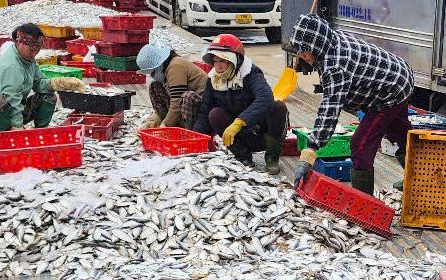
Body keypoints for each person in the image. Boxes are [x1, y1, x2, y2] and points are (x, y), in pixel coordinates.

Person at [286, 13, 414, 195]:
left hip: (390, 92)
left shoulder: (335, 66)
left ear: (316, 45)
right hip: (399, 76)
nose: (302, 54)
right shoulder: (329, 40)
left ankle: (365, 203)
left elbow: (329, 111)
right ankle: (420, 180)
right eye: (299, 49)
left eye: (305, 50)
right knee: (399, 133)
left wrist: (309, 152)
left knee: (360, 144)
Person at [192, 34, 287, 172]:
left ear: (233, 60)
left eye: (222, 61)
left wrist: (240, 121)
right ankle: (243, 156)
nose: (218, 66)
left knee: (278, 107)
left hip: (262, 132)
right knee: (214, 114)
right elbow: (204, 111)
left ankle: (272, 157)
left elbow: (265, 97)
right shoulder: (213, 80)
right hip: (239, 137)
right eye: (215, 61)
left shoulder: (251, 73)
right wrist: (196, 138)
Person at [0, 23, 85, 132]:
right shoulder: (12, 65)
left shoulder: (29, 59)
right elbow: (12, 98)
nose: (34, 54)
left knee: (48, 97)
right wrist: (17, 126)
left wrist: (58, 83)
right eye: (31, 49)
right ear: (19, 42)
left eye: (37, 50)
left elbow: (38, 83)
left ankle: (39, 133)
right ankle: (4, 136)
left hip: (14, 105)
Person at [137, 42, 207, 129]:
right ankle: (176, 125)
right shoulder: (166, 71)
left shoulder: (175, 66)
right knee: (154, 86)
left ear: (159, 66)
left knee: (187, 96)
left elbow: (176, 101)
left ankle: (190, 132)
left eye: (153, 72)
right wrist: (150, 123)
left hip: (202, 113)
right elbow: (162, 110)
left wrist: (165, 125)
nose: (152, 76)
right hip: (184, 111)